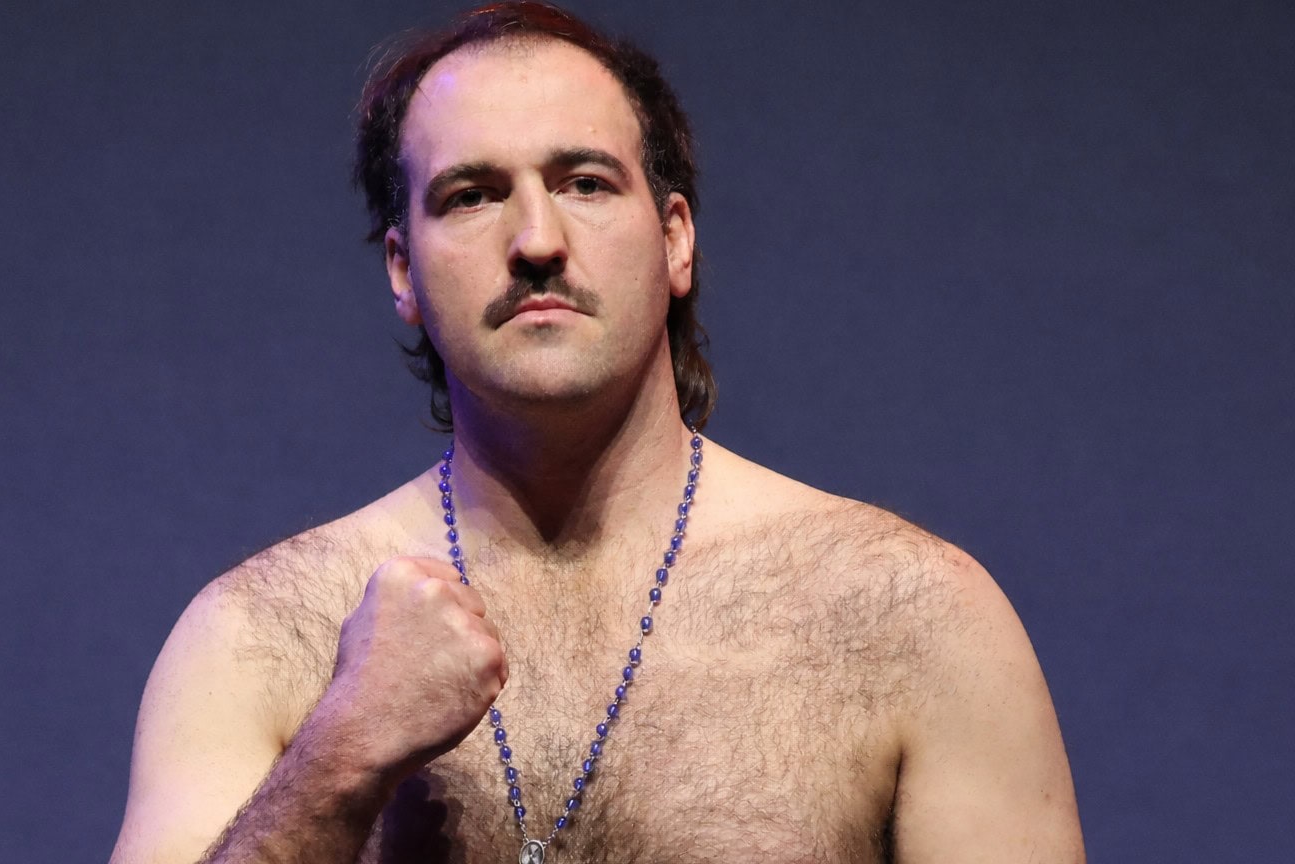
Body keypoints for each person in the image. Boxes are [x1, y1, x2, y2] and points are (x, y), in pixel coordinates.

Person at [110, 3, 1085, 862]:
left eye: (584, 182)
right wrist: (344, 753)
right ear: (402, 270)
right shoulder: (258, 640)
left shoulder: (911, 619)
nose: (537, 241)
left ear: (675, 238)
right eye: (472, 195)